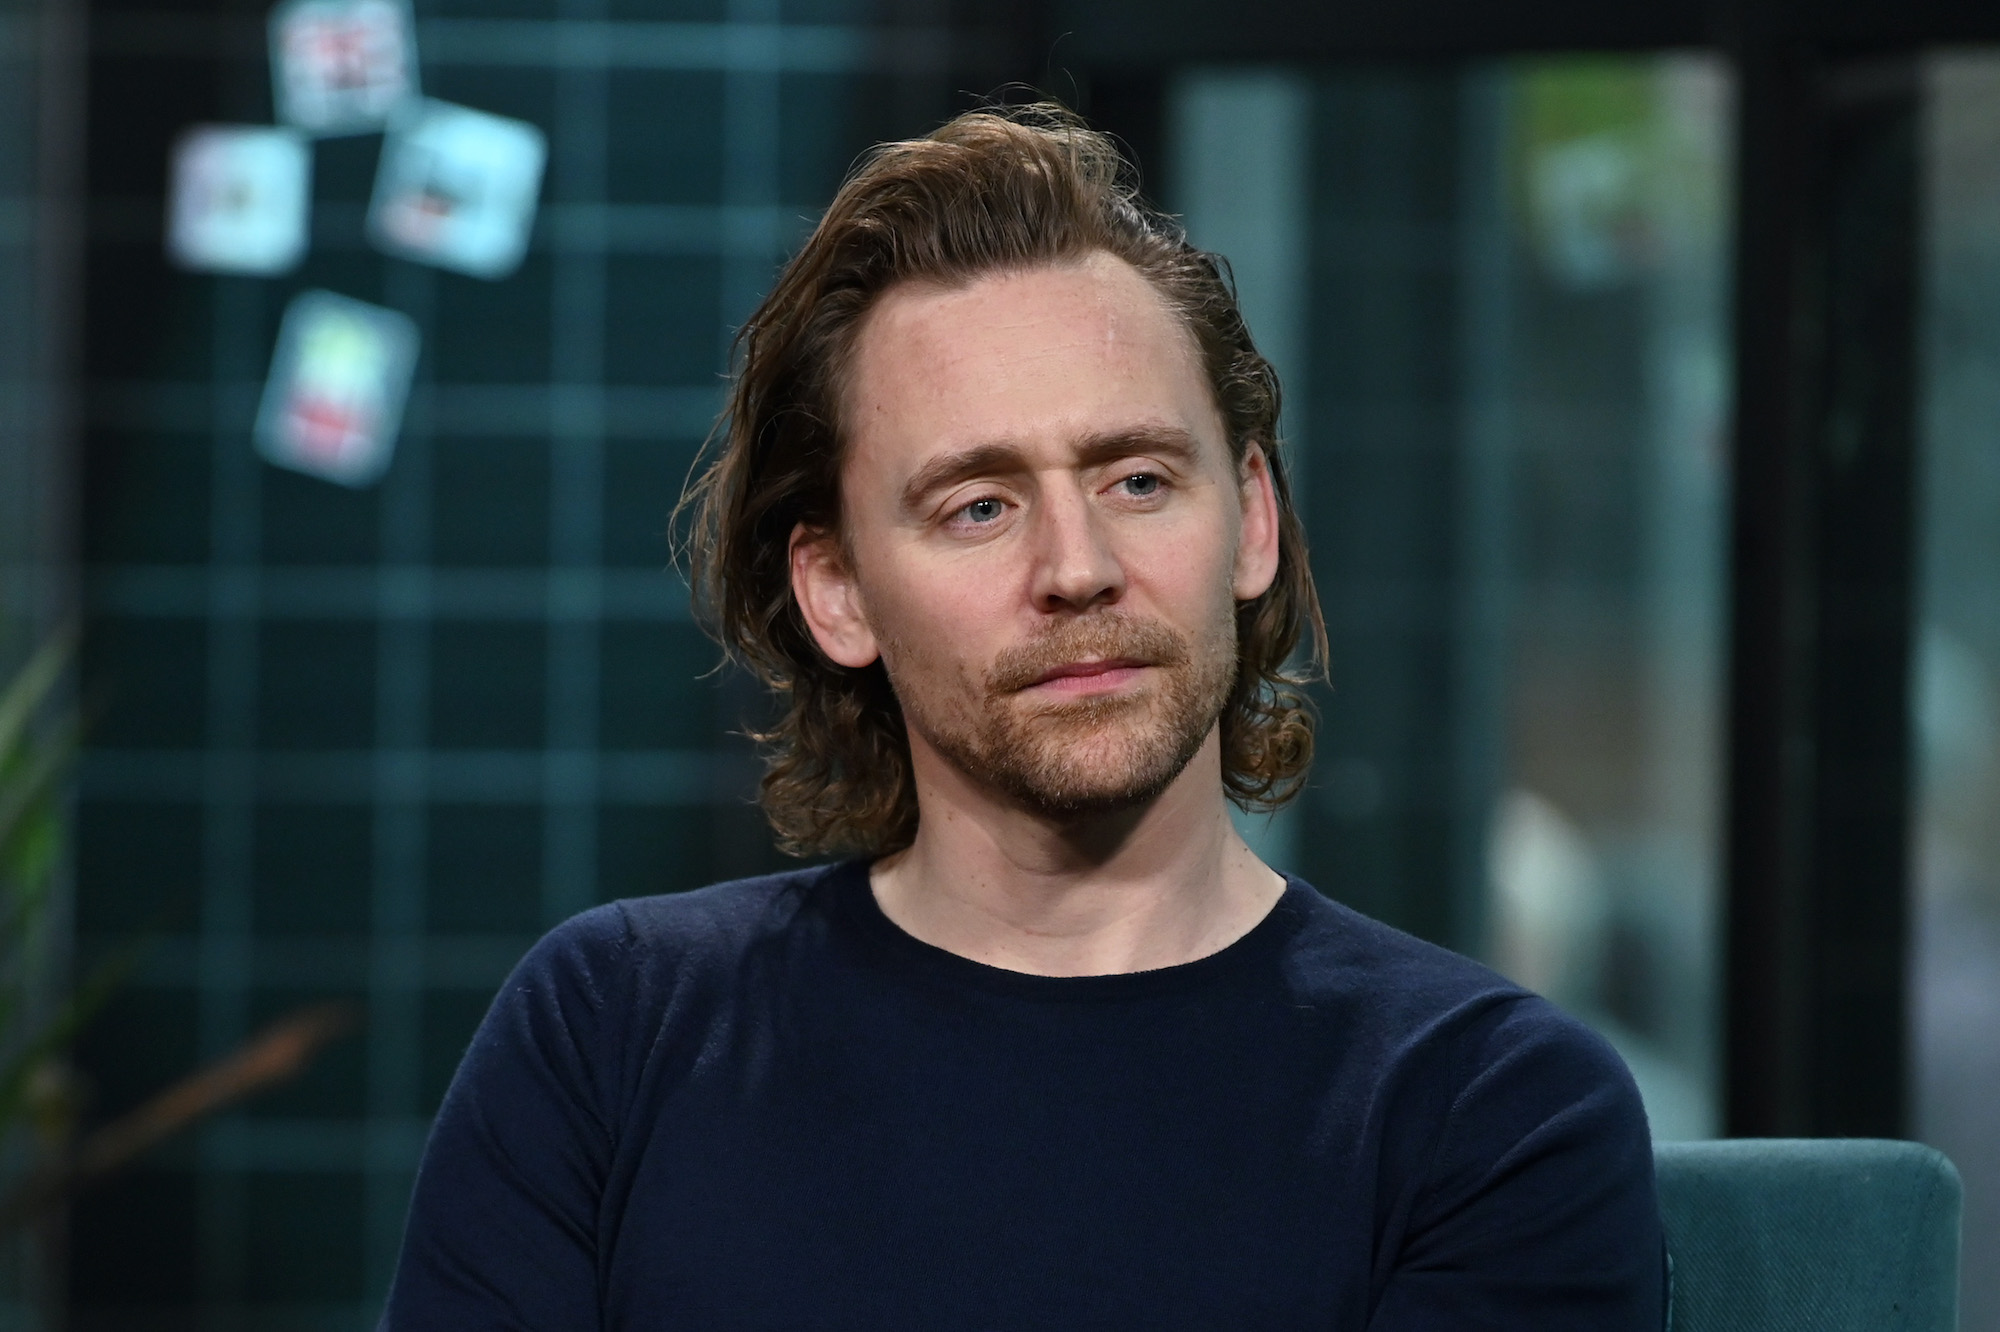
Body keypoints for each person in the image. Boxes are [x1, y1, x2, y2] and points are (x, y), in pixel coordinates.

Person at [381, 103, 1664, 1329]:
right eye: (978, 507)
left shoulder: (1489, 1110)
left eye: (1138, 480)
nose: (1077, 567)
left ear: (1251, 521)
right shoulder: (613, 1033)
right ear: (836, 592)